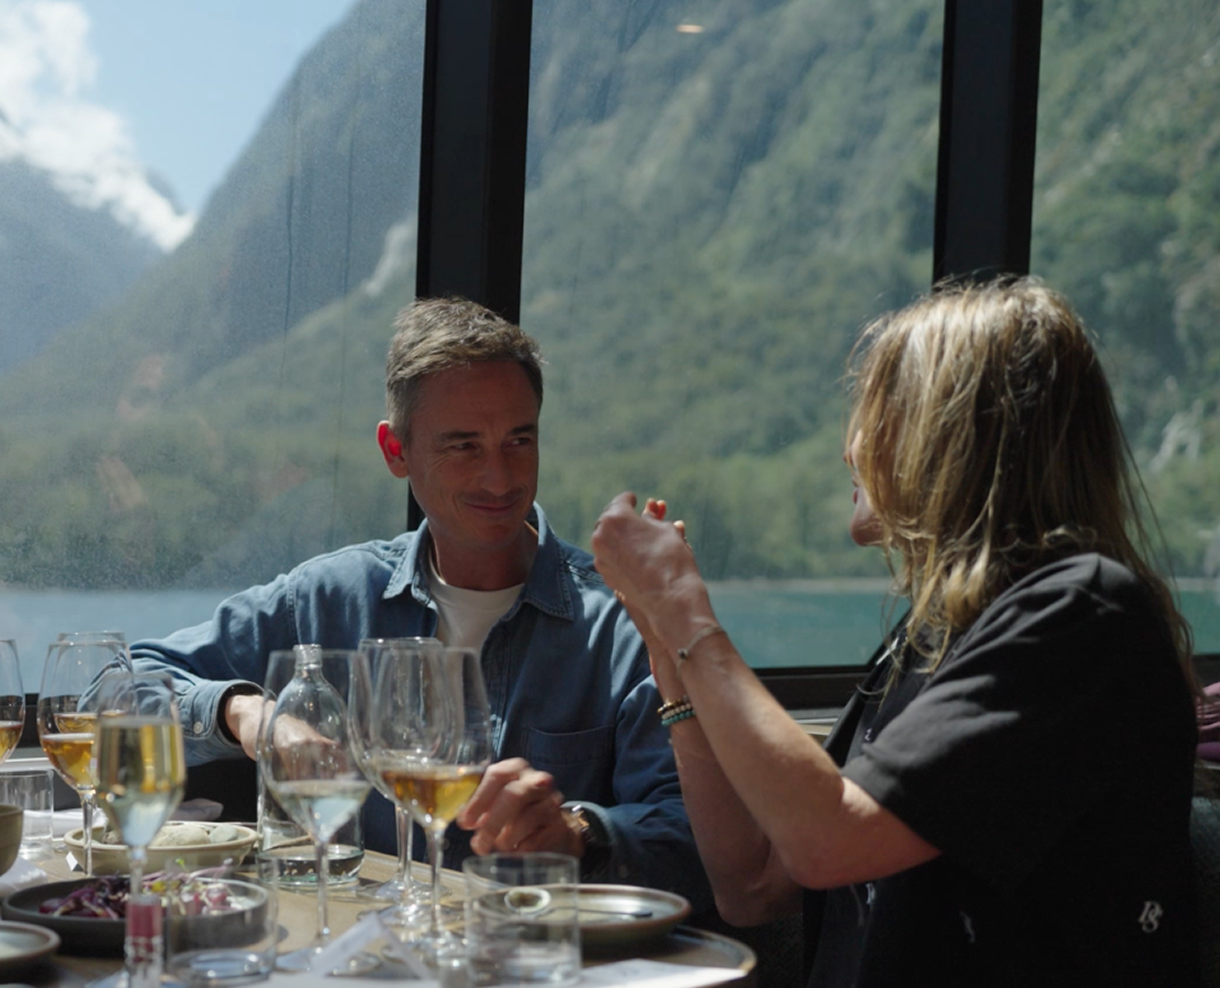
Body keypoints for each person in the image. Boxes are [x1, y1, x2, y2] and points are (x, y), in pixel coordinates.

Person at [589, 278, 1200, 986]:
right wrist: (671, 657)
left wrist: (685, 611)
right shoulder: (938, 632)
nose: (849, 449)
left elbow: (829, 843)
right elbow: (752, 883)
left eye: (871, 412)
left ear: (948, 431)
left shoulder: (1081, 615)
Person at [132, 297, 705, 901]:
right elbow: (121, 687)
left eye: (518, 440)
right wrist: (246, 714)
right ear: (395, 452)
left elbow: (704, 842)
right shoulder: (329, 598)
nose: (499, 478)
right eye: (463, 446)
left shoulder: (621, 621)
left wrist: (581, 831)